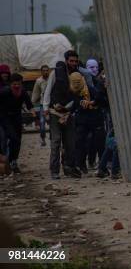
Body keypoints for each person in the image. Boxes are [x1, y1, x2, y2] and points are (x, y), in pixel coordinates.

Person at [44, 51, 82, 179]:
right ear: (66, 61)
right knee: (55, 141)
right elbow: (48, 90)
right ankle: (54, 170)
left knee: (70, 142)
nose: (74, 63)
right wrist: (45, 108)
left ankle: (68, 167)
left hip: (69, 113)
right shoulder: (56, 73)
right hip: (55, 112)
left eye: (75, 61)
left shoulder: (77, 75)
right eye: (71, 61)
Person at [0, 74, 35, 173]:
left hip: (17, 117)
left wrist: (32, 112)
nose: (17, 86)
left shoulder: (23, 92)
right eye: (14, 84)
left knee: (17, 140)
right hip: (5, 117)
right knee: (11, 137)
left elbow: (29, 105)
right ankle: (7, 160)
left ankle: (13, 160)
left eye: (18, 84)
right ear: (10, 84)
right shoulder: (4, 92)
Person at [31, 65, 50, 146]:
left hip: (52, 104)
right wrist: (33, 102)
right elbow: (36, 92)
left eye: (47, 70)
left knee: (53, 123)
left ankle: (53, 139)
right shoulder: (39, 81)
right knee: (42, 122)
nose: (46, 72)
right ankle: (43, 138)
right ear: (41, 72)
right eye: (44, 70)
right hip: (43, 105)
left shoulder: (51, 79)